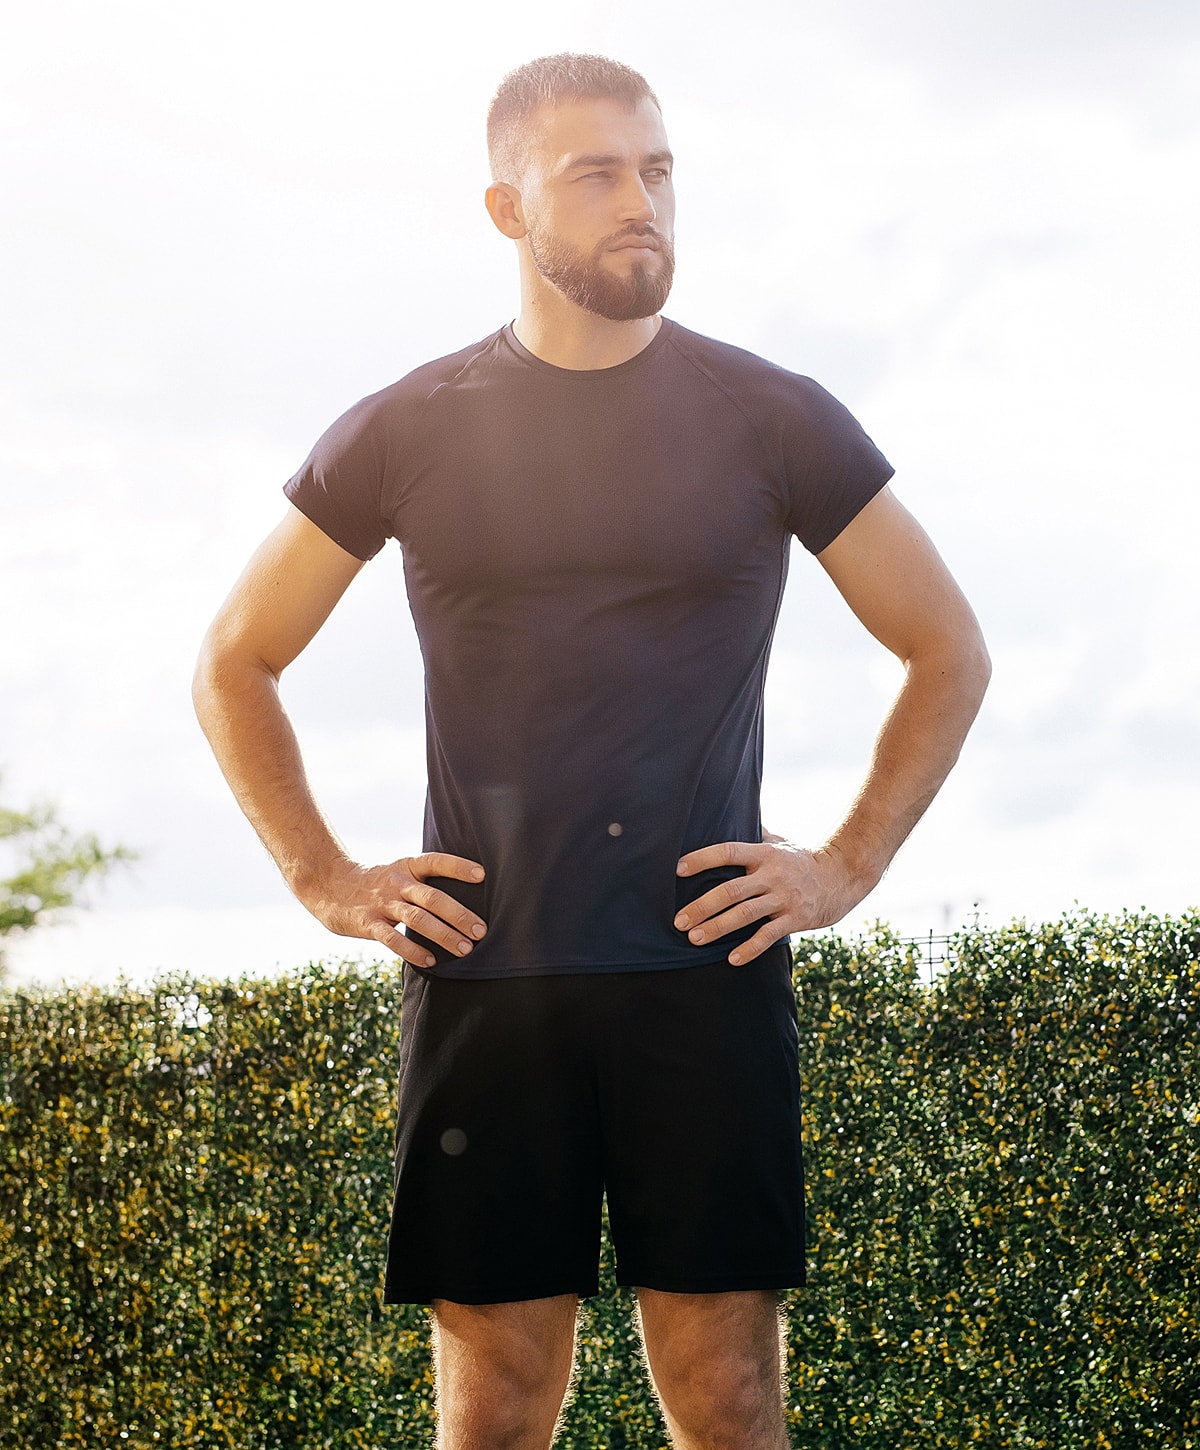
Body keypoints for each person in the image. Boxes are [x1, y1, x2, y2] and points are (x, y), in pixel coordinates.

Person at [193, 52, 990, 1450]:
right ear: (508, 209)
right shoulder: (408, 427)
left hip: (706, 972)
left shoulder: (773, 416)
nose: (643, 202)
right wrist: (324, 877)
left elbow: (948, 648)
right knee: (497, 1409)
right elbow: (234, 661)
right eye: (598, 174)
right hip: (487, 979)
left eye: (659, 170)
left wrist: (844, 864)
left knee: (728, 1401)